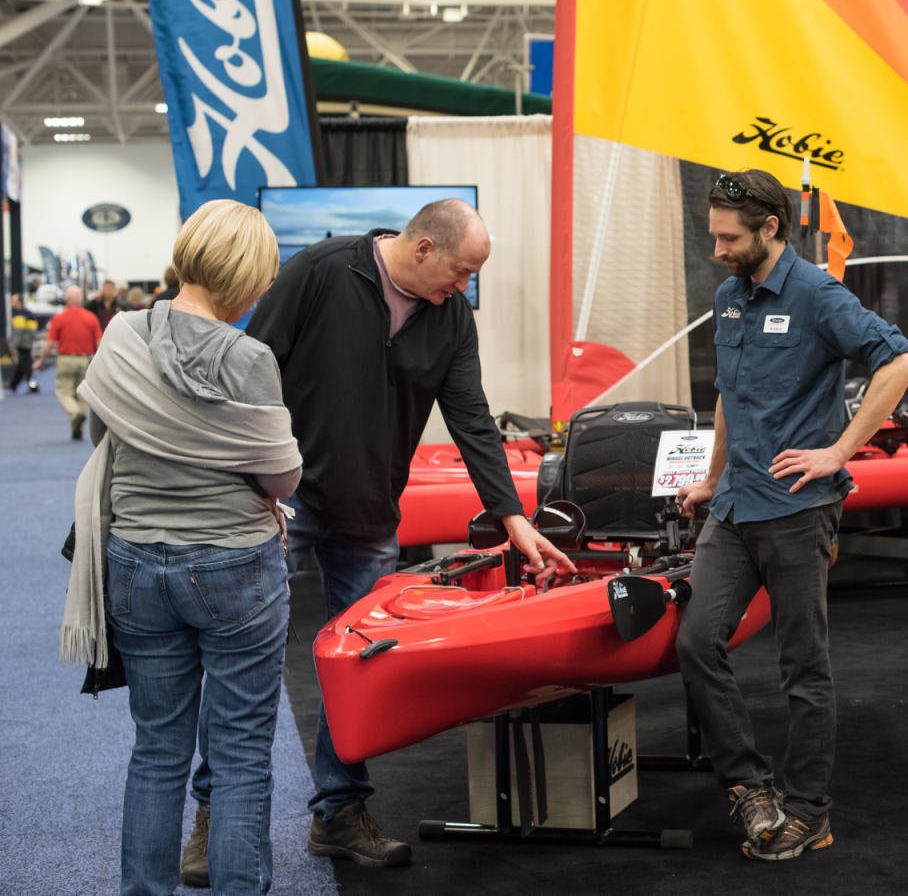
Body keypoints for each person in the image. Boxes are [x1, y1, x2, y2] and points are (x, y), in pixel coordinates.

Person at [179, 198, 578, 877]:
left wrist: (514, 517)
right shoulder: (322, 272)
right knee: (245, 661)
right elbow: (251, 370)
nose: (463, 289)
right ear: (422, 248)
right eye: (459, 272)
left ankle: (339, 813)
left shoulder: (449, 315)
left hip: (370, 511)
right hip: (283, 501)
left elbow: (472, 418)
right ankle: (214, 817)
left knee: (361, 663)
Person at [676, 169, 908, 862]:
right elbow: (728, 392)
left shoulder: (817, 294)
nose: (717, 249)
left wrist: (840, 449)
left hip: (796, 512)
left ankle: (809, 810)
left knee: (802, 671)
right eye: (713, 234)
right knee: (697, 644)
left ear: (771, 228)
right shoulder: (728, 296)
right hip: (732, 507)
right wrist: (712, 475)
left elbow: (900, 363)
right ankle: (749, 786)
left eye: (728, 237)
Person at [60, 199, 302, 894]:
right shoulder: (249, 356)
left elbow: (112, 420)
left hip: (136, 562)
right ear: (249, 275)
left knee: (158, 751)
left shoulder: (122, 335)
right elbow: (279, 471)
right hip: (234, 567)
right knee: (239, 756)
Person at [37, 285, 102, 438]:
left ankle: (75, 414)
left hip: (65, 359)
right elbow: (100, 341)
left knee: (64, 392)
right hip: (85, 360)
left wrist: (40, 361)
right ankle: (77, 428)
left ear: (66, 300)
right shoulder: (91, 318)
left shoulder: (59, 318)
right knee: (81, 394)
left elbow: (49, 344)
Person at [7, 292, 40, 393]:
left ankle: (33, 386)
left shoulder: (19, 315)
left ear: (19, 302)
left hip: (22, 344)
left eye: (14, 300)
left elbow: (18, 332)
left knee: (26, 367)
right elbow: (33, 331)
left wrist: (13, 345)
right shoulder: (28, 313)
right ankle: (13, 385)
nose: (12, 302)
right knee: (22, 366)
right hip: (27, 344)